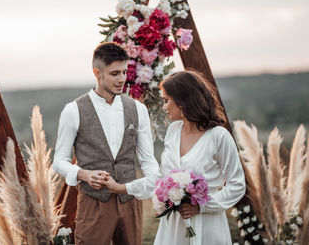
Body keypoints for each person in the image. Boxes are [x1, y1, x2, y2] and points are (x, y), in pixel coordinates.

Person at [103, 70, 246, 245]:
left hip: (207, 225)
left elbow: (237, 185)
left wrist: (201, 206)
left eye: (166, 100)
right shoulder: (173, 131)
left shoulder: (219, 136)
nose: (164, 107)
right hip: (173, 227)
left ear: (183, 101)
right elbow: (162, 177)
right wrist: (120, 188)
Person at [52, 42, 159, 245]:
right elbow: (59, 161)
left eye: (124, 72)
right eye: (114, 73)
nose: (122, 79)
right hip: (94, 203)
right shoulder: (73, 110)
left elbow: (147, 159)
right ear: (97, 73)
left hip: (130, 200)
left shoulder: (138, 109)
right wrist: (84, 174)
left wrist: (157, 187)